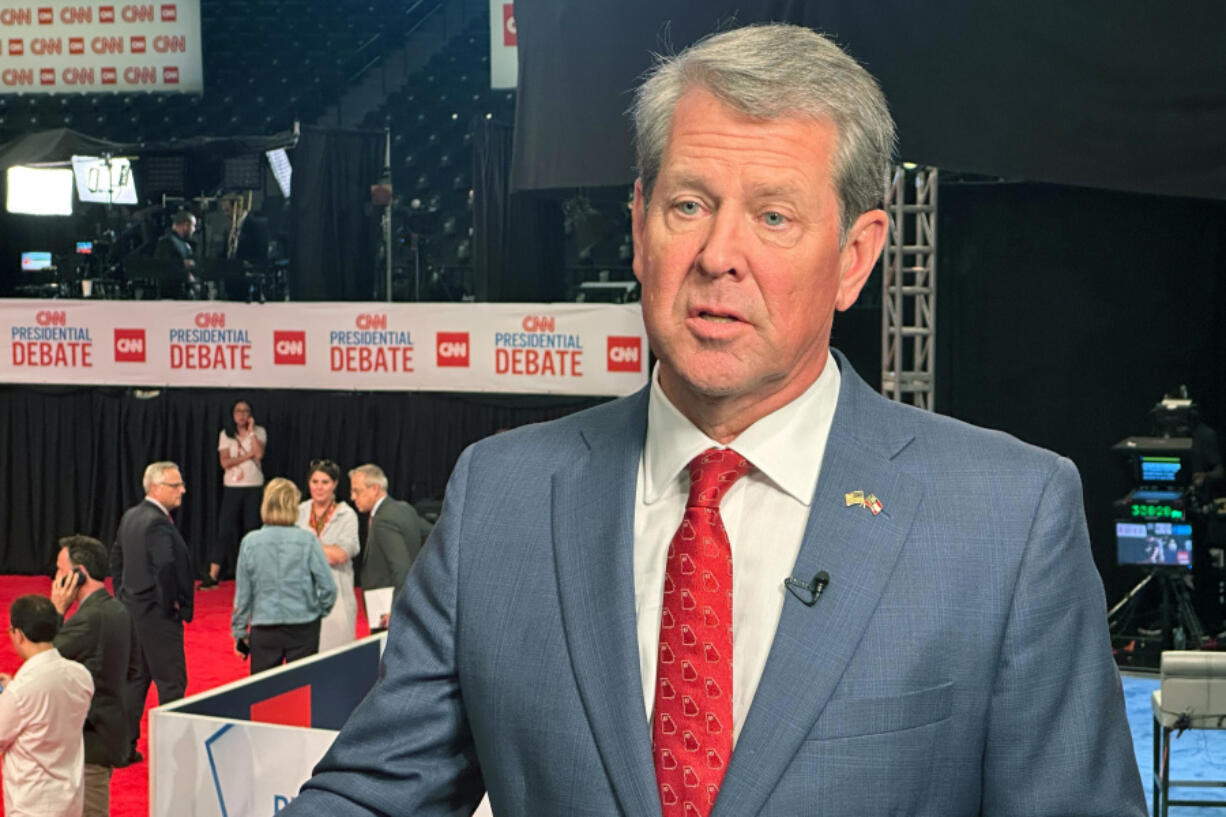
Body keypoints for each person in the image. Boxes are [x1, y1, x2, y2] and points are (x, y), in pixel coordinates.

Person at [283, 24, 1145, 816]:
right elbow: (371, 797)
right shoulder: (498, 496)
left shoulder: (1008, 518)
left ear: (855, 257)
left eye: (773, 216)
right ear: (637, 226)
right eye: (689, 205)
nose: (719, 255)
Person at [109, 460, 194, 764]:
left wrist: (124, 595)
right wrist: (168, 602)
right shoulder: (157, 522)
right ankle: (172, 755)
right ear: (157, 488)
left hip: (133, 611)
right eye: (177, 485)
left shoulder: (131, 516)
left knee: (136, 681)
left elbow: (116, 559)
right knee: (171, 683)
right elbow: (166, 566)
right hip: (157, 618)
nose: (183, 490)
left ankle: (125, 747)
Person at [50, 535, 140, 817]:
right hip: (105, 733)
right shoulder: (117, 609)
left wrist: (57, 611)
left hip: (90, 740)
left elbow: (44, 661)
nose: (55, 578)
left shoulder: (90, 618)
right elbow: (135, 669)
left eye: (60, 570)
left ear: (79, 573)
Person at [0, 595, 94, 817]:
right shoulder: (81, 676)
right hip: (70, 801)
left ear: (19, 634)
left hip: (31, 806)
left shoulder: (21, 692)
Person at [232, 478, 337, 674]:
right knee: (302, 691)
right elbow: (329, 587)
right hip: (303, 625)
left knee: (263, 695)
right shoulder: (308, 540)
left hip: (264, 628)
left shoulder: (250, 542)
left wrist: (239, 632)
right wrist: (317, 611)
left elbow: (243, 595)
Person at [348, 463, 425, 630]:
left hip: (387, 611)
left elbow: (401, 568)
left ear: (375, 489)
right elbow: (432, 534)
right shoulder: (404, 509)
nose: (353, 497)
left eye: (357, 491)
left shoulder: (383, 520)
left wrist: (396, 609)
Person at [296, 459, 361, 651]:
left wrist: (305, 545)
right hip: (302, 596)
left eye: (325, 482)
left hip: (337, 595)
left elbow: (340, 555)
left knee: (335, 658)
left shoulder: (347, 515)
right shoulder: (299, 511)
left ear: (335, 484)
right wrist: (325, 549)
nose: (319, 487)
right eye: (315, 482)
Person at [204, 399, 267, 589]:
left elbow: (260, 454)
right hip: (232, 487)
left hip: (254, 486)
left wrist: (252, 431)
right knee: (224, 530)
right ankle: (213, 574)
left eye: (245, 411)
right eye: (238, 411)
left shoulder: (259, 432)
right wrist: (247, 456)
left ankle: (253, 573)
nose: (242, 415)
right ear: (232, 414)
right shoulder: (226, 434)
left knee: (252, 530)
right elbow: (225, 462)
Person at [152, 210, 200, 298]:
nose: (194, 229)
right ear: (186, 225)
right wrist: (183, 264)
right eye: (193, 226)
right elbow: (164, 266)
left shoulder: (184, 244)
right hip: (171, 295)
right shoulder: (166, 242)